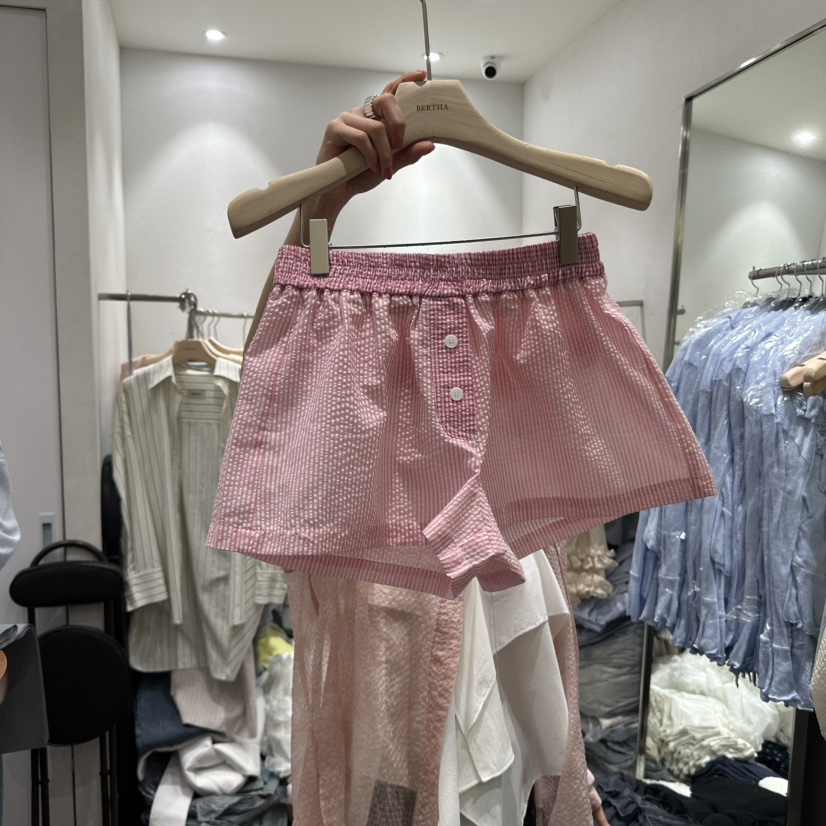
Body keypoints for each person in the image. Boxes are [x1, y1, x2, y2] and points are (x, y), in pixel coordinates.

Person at [239, 68, 612, 826]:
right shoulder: (343, 450)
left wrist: (575, 786)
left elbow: (537, 661)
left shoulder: (516, 439)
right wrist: (319, 206)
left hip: (486, 739)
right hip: (380, 736)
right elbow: (267, 398)